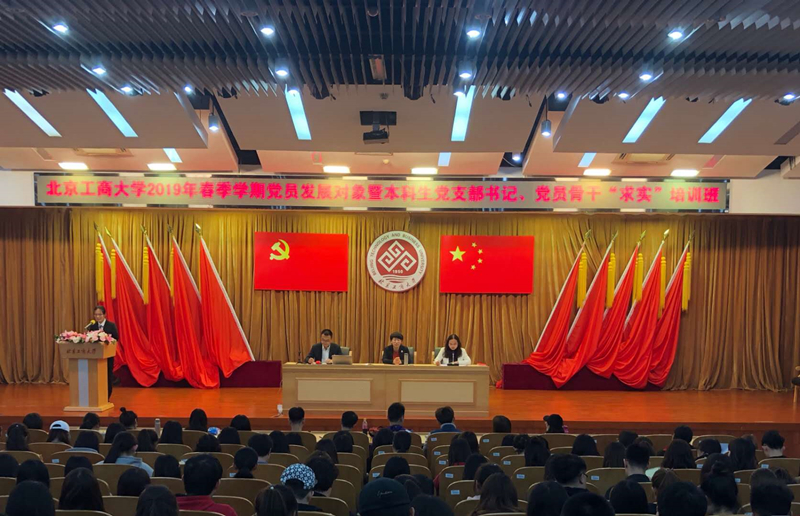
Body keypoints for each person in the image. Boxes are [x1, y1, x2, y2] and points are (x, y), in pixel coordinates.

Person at [87, 306, 119, 397]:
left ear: (104, 315)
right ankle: (97, 396)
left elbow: (116, 339)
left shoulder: (111, 325)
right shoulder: (92, 326)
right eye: (96, 315)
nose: (98, 317)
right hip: (96, 357)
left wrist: (106, 340)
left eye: (100, 314)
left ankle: (107, 396)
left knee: (107, 376)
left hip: (107, 356)